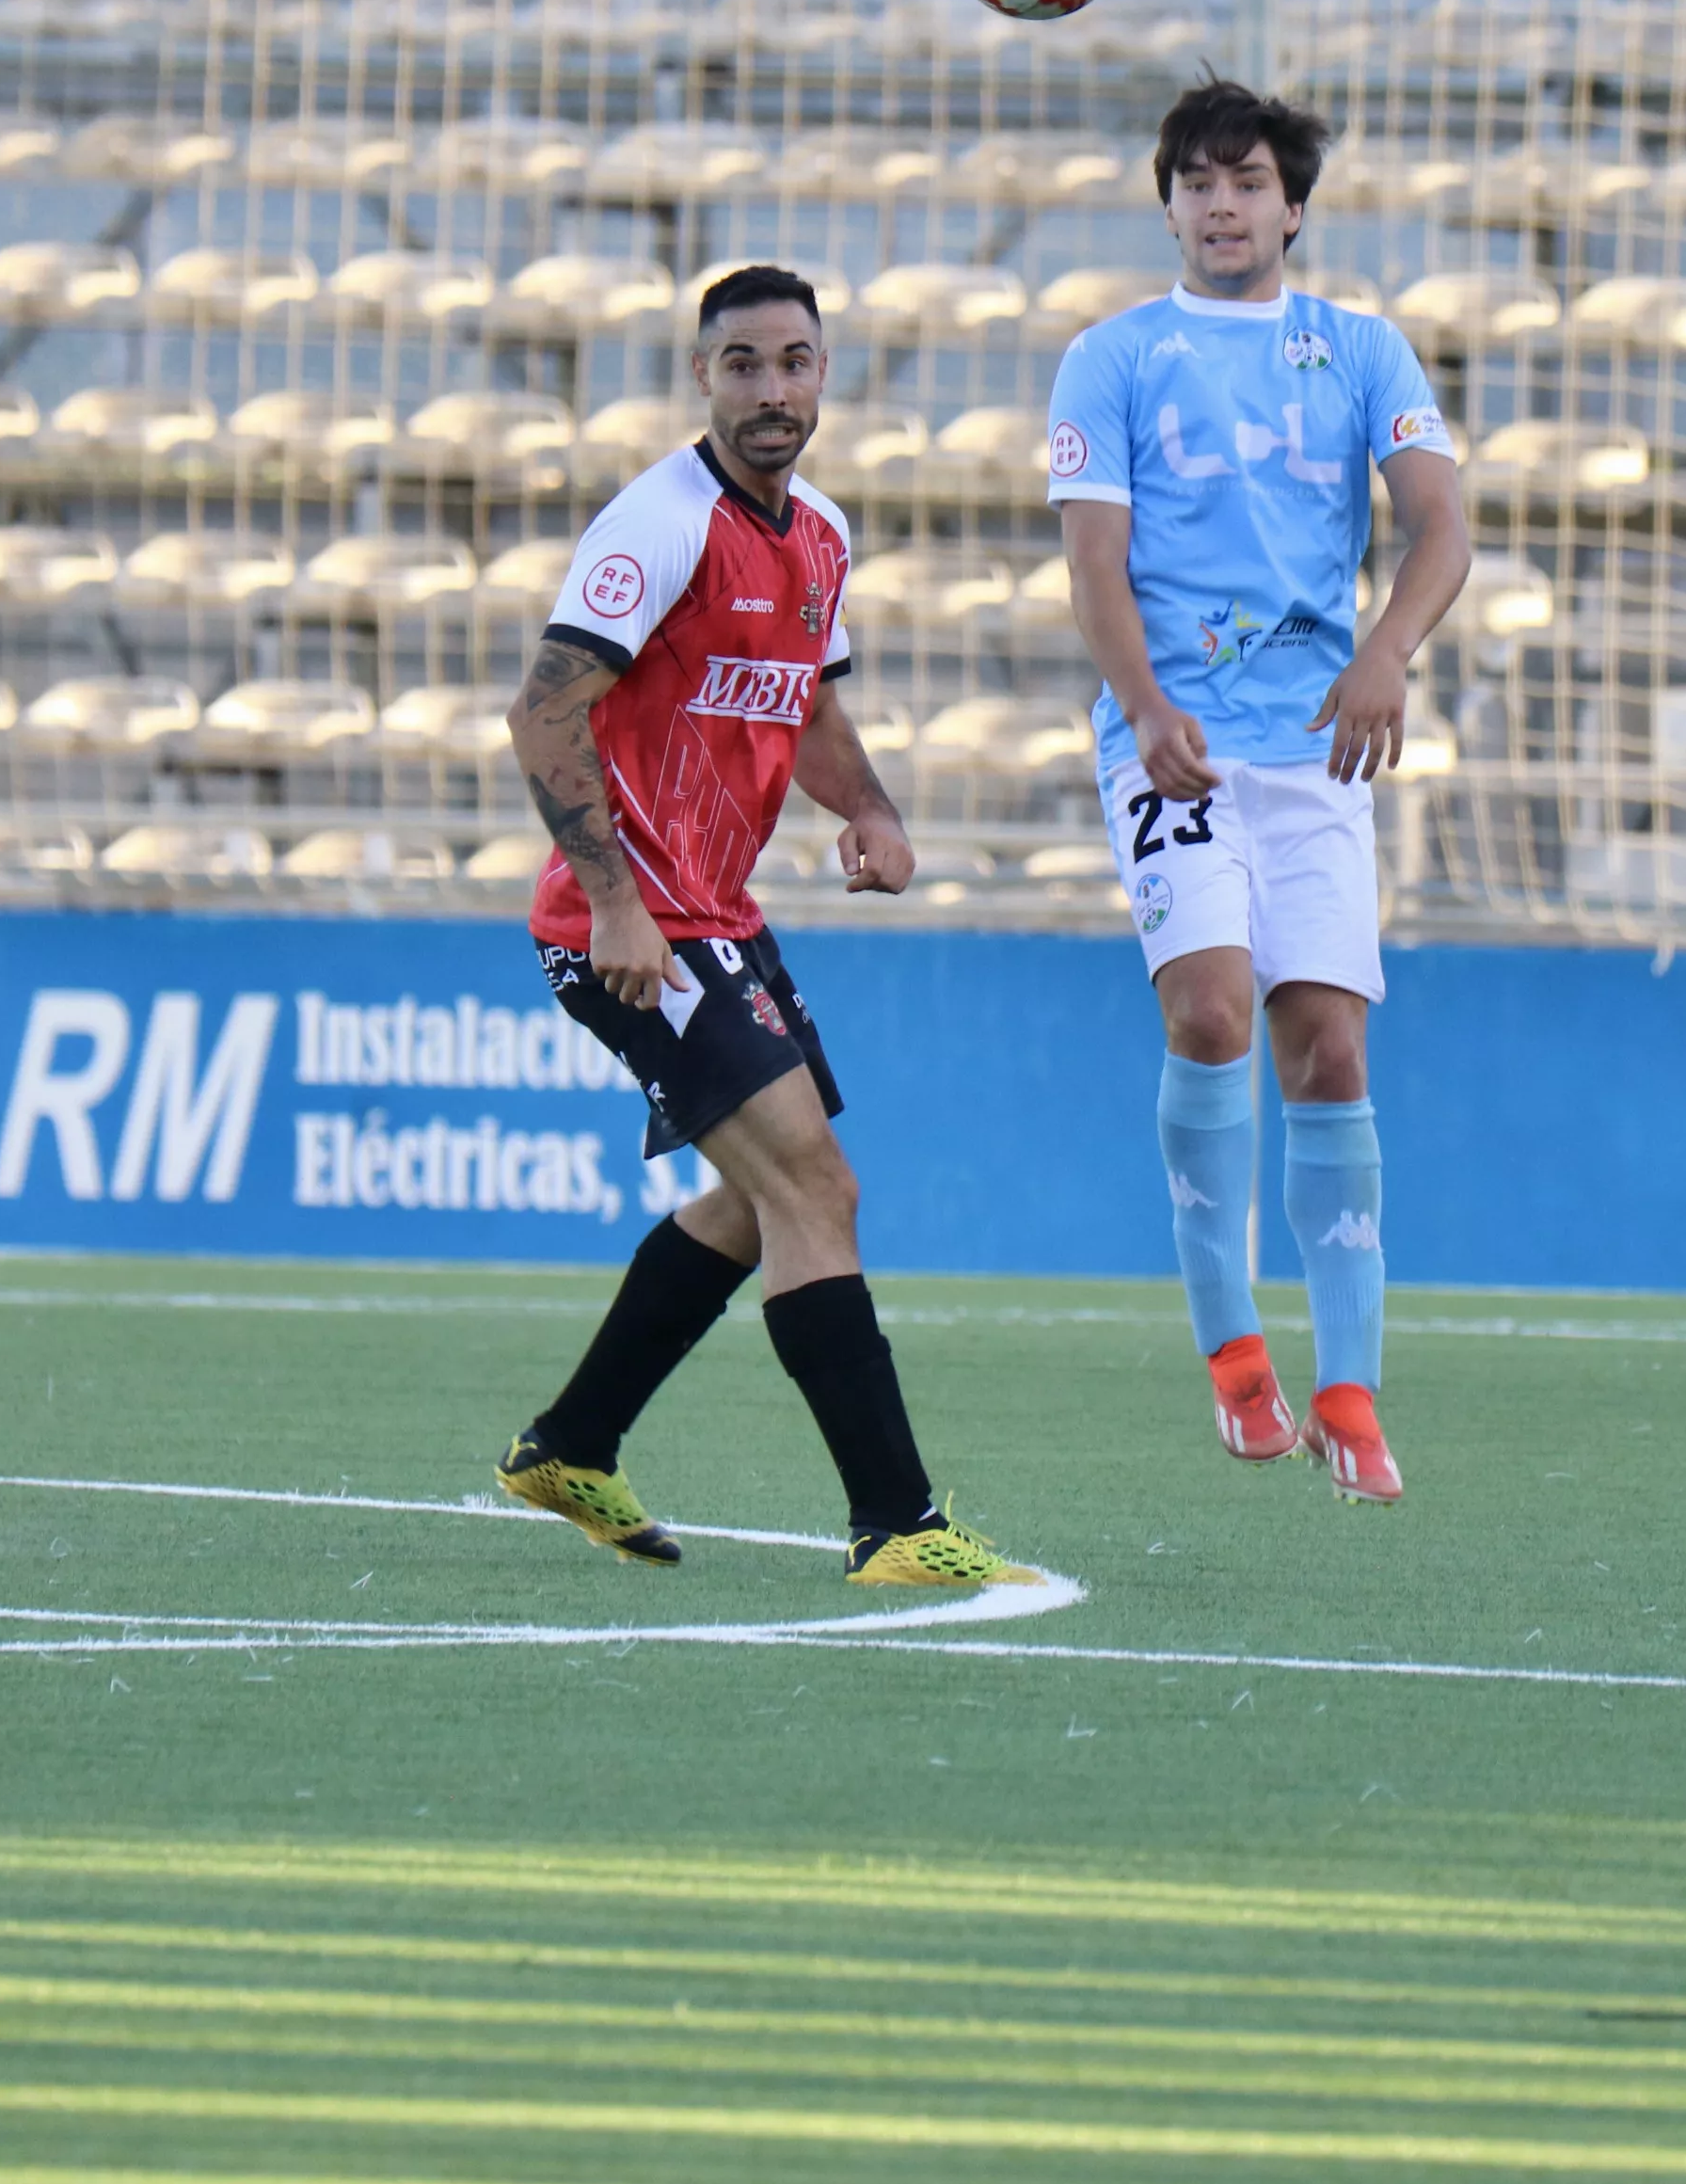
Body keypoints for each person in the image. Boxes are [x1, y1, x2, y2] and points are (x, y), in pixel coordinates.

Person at [493, 263, 1030, 1588]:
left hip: (716, 915)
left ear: (824, 374)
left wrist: (875, 810)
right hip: (631, 924)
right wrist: (615, 905)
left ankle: (571, 1444)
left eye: (795, 361)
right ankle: (898, 1527)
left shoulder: (820, 535)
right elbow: (543, 712)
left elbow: (810, 713)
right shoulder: (659, 523)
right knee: (814, 1190)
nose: (772, 388)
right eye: (743, 363)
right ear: (703, 379)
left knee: (753, 1200)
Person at [1045, 79, 1473, 1503]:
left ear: (1292, 207)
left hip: (1319, 753)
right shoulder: (1111, 359)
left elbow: (1439, 523)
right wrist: (1149, 705)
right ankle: (1234, 1354)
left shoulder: (1357, 350)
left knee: (1329, 1057)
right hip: (1172, 744)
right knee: (1211, 1008)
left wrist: (1386, 654)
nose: (1222, 206)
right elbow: (1095, 563)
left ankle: (1350, 1393)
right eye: (1197, 182)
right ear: (1166, 202)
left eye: (1247, 184)